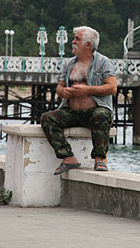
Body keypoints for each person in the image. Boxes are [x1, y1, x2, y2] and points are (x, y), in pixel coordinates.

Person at [41, 26, 117, 175]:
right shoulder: (70, 63)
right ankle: (68, 157)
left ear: (88, 44)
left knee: (101, 115)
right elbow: (59, 87)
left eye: (77, 39)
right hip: (72, 112)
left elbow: (112, 87)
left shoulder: (103, 62)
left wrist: (87, 90)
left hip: (94, 110)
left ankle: (99, 159)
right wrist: (64, 92)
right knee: (47, 118)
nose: (73, 41)